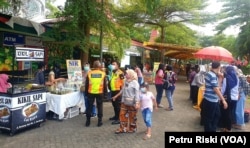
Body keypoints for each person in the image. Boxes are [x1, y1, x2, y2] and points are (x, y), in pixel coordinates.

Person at [201, 61, 228, 132]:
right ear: (219, 67)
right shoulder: (212, 75)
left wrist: (220, 78)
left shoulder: (212, 74)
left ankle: (212, 129)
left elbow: (217, 86)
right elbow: (216, 89)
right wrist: (223, 100)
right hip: (210, 100)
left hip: (213, 99)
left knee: (217, 115)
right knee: (209, 118)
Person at [114, 69, 140, 134]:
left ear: (131, 74)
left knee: (132, 116)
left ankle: (132, 128)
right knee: (122, 115)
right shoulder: (125, 81)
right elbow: (122, 90)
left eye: (127, 74)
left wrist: (137, 103)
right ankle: (122, 128)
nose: (126, 75)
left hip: (132, 103)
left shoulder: (135, 83)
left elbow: (137, 93)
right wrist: (116, 96)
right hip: (124, 102)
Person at [85, 60, 107, 127]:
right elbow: (105, 85)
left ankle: (88, 121)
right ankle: (99, 121)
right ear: (99, 66)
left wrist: (86, 92)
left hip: (91, 92)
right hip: (100, 92)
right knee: (99, 107)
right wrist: (105, 94)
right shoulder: (103, 74)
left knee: (89, 107)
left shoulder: (89, 73)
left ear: (93, 66)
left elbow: (87, 84)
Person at [218, 65, 239, 132]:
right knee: (230, 113)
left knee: (226, 113)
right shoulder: (237, 78)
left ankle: (227, 128)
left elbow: (223, 90)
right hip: (235, 98)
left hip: (228, 98)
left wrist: (220, 96)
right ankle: (227, 127)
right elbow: (237, 89)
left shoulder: (226, 78)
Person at [109, 60, 125, 125]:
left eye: (114, 64)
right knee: (114, 105)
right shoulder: (113, 72)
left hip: (118, 91)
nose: (112, 65)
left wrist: (121, 91)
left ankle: (119, 119)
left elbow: (123, 83)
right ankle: (116, 116)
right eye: (112, 64)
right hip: (113, 90)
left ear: (117, 66)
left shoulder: (120, 73)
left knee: (118, 106)